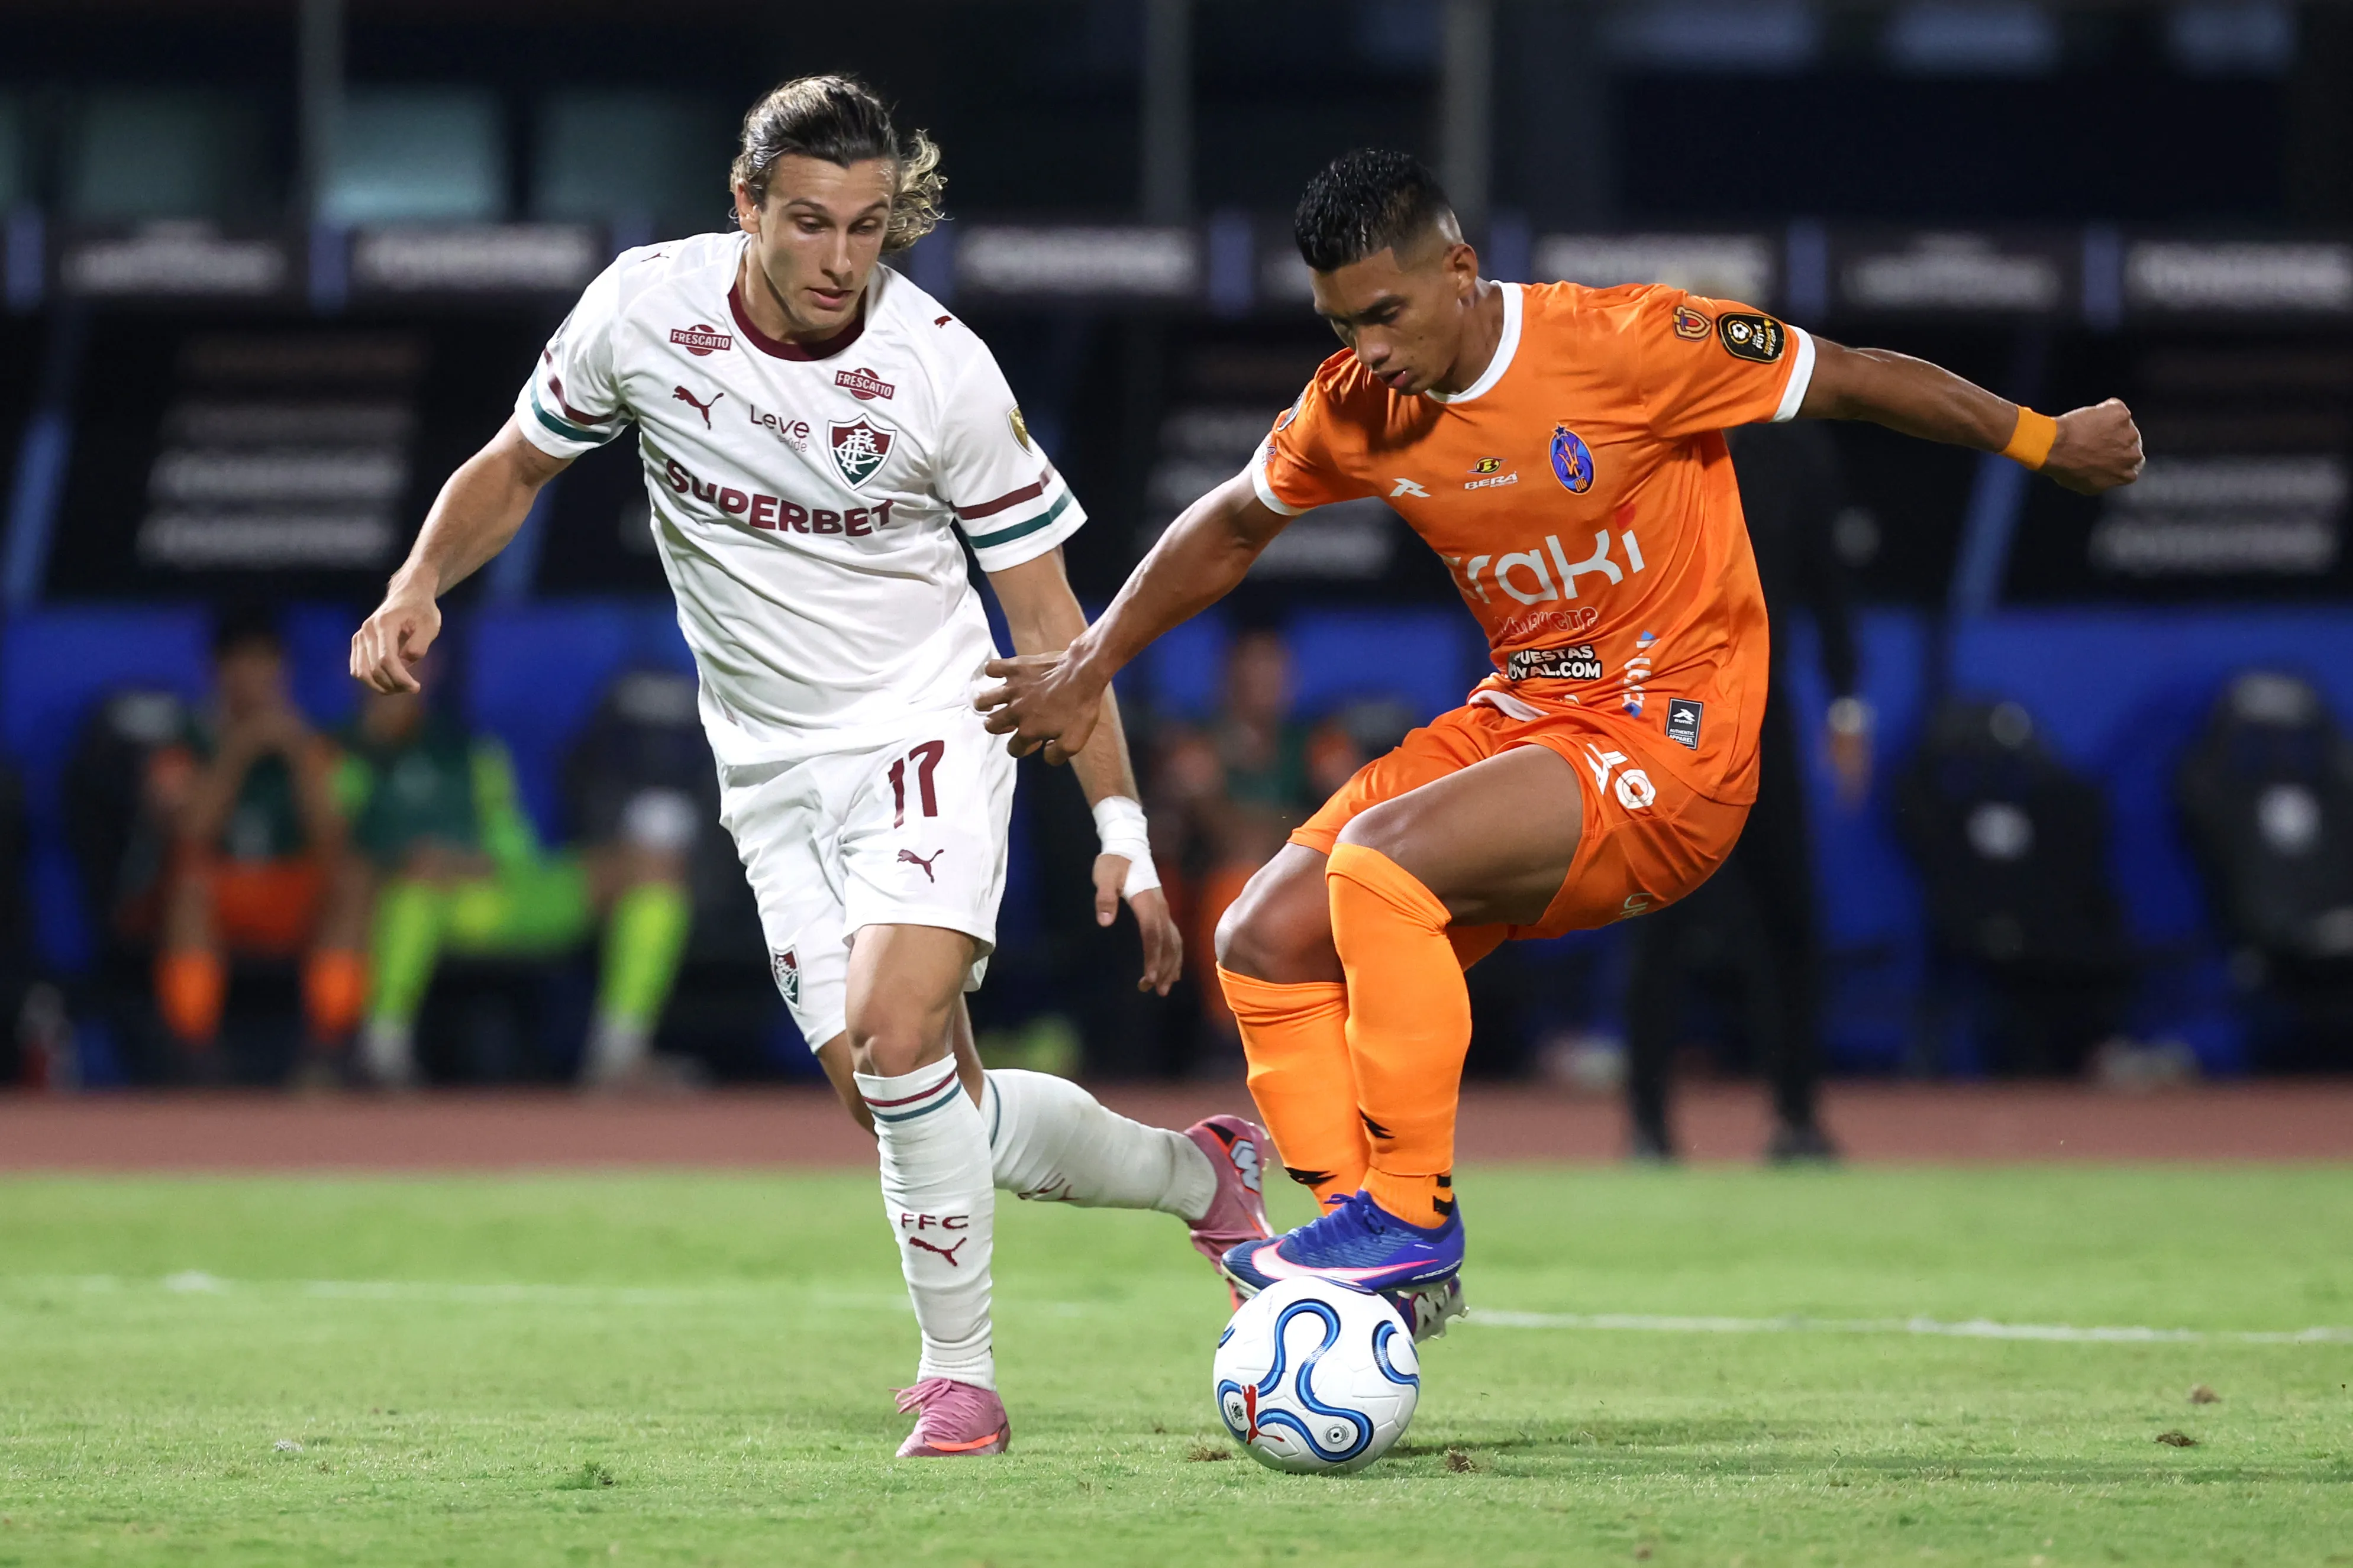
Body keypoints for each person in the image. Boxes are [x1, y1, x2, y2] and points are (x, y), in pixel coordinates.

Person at [978, 150, 2143, 1323]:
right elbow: (1229, 522)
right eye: (1340, 321)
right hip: (1529, 714)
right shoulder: (1356, 407)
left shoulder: (1629, 344)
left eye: (1385, 311)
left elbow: (1851, 377)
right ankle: (1362, 1255)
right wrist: (1088, 663)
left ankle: (1411, 1219)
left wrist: (2043, 440)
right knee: (1260, 935)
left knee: (1380, 865)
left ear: (1460, 270)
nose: (1367, 346)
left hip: (1673, 742)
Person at [349, 76, 1272, 1459]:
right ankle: (1199, 1171)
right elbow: (512, 466)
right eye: (810, 224)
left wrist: (1123, 829)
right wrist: (420, 579)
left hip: (929, 727)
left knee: (899, 1034)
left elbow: (1049, 629)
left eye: (869, 226)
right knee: (910, 1103)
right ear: (745, 208)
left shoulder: (938, 369)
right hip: (766, 769)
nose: (843, 259)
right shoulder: (641, 312)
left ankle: (960, 1379)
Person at [1622, 420, 1867, 1163]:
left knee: (1785, 914)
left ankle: (1793, 1116)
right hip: (1661, 708)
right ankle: (1648, 1125)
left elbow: (1825, 578)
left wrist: (1845, 702)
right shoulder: (1638, 437)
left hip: (1756, 709)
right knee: (1656, 918)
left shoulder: (1788, 447)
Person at [335, 664, 693, 1089]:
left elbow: (510, 846)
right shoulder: (340, 750)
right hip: (420, 907)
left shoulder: (468, 750)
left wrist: (468, 862)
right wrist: (402, 862)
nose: (405, 671)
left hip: (500, 894)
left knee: (651, 872)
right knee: (409, 891)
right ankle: (382, 1052)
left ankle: (618, 1054)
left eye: (418, 657)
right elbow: (335, 854)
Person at [153, 609, 369, 1080]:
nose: (252, 677)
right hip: (221, 891)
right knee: (188, 884)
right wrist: (239, 750)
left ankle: (328, 1052)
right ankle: (195, 1054)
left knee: (352, 882)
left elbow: (332, 840)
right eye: (240, 663)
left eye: (264, 663)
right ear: (217, 670)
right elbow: (190, 832)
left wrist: (297, 756)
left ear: (282, 671)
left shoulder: (314, 742)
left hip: (288, 894)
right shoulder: (185, 739)